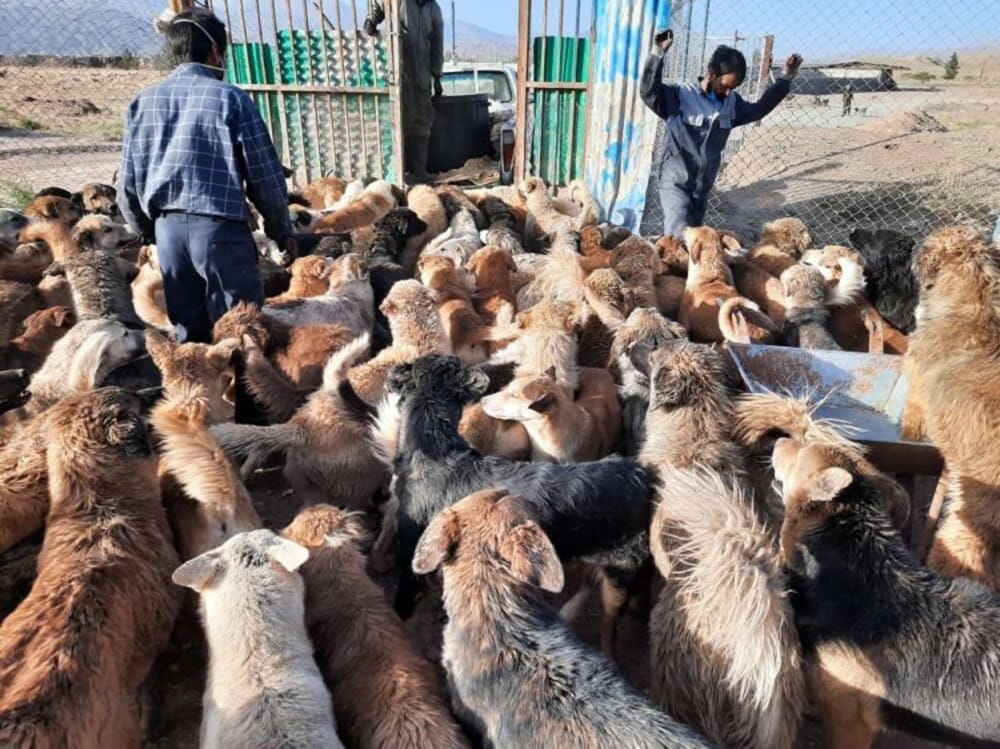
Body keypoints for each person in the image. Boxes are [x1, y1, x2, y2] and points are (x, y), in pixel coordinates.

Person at [118, 8, 294, 343]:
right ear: (215, 52)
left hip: (168, 235)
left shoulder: (142, 102)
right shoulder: (231, 98)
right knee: (241, 333)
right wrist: (279, 230)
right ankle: (244, 395)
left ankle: (201, 394)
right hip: (220, 233)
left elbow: (126, 186)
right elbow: (265, 177)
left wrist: (149, 232)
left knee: (191, 339)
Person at [640, 29, 803, 238]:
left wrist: (786, 78)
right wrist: (657, 54)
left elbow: (760, 109)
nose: (728, 93)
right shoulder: (680, 96)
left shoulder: (732, 105)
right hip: (676, 182)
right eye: (725, 86)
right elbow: (649, 92)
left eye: (733, 88)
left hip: (702, 188)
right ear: (711, 72)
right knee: (678, 234)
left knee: (696, 239)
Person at [365, 0, 444, 184]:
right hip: (399, 74)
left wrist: (437, 75)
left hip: (423, 76)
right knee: (400, 122)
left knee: (423, 123)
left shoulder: (434, 8)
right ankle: (400, 170)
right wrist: (371, 20)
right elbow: (379, 5)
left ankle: (420, 171)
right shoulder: (399, 2)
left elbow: (437, 44)